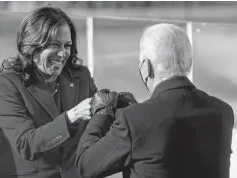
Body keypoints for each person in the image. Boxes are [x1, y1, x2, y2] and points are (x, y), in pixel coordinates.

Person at [76, 23, 234, 178]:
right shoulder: (222, 112)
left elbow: (86, 166)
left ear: (145, 67)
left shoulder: (133, 120)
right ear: (189, 63)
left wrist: (102, 113)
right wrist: (137, 111)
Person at [0, 6, 97, 178]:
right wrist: (72, 116)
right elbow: (25, 145)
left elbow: (99, 123)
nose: (63, 54)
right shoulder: (4, 85)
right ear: (33, 47)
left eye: (67, 45)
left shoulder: (81, 77)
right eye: (54, 45)